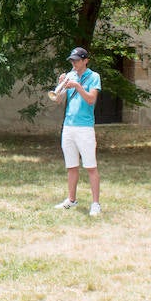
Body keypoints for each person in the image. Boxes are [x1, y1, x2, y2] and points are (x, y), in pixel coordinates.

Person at [53, 46, 102, 215]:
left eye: (76, 60)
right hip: (68, 125)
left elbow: (91, 100)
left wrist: (78, 86)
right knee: (71, 166)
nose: (73, 63)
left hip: (84, 127)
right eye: (72, 61)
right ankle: (71, 199)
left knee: (90, 166)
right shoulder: (70, 75)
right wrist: (61, 86)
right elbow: (58, 100)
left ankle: (95, 203)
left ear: (85, 61)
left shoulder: (94, 76)